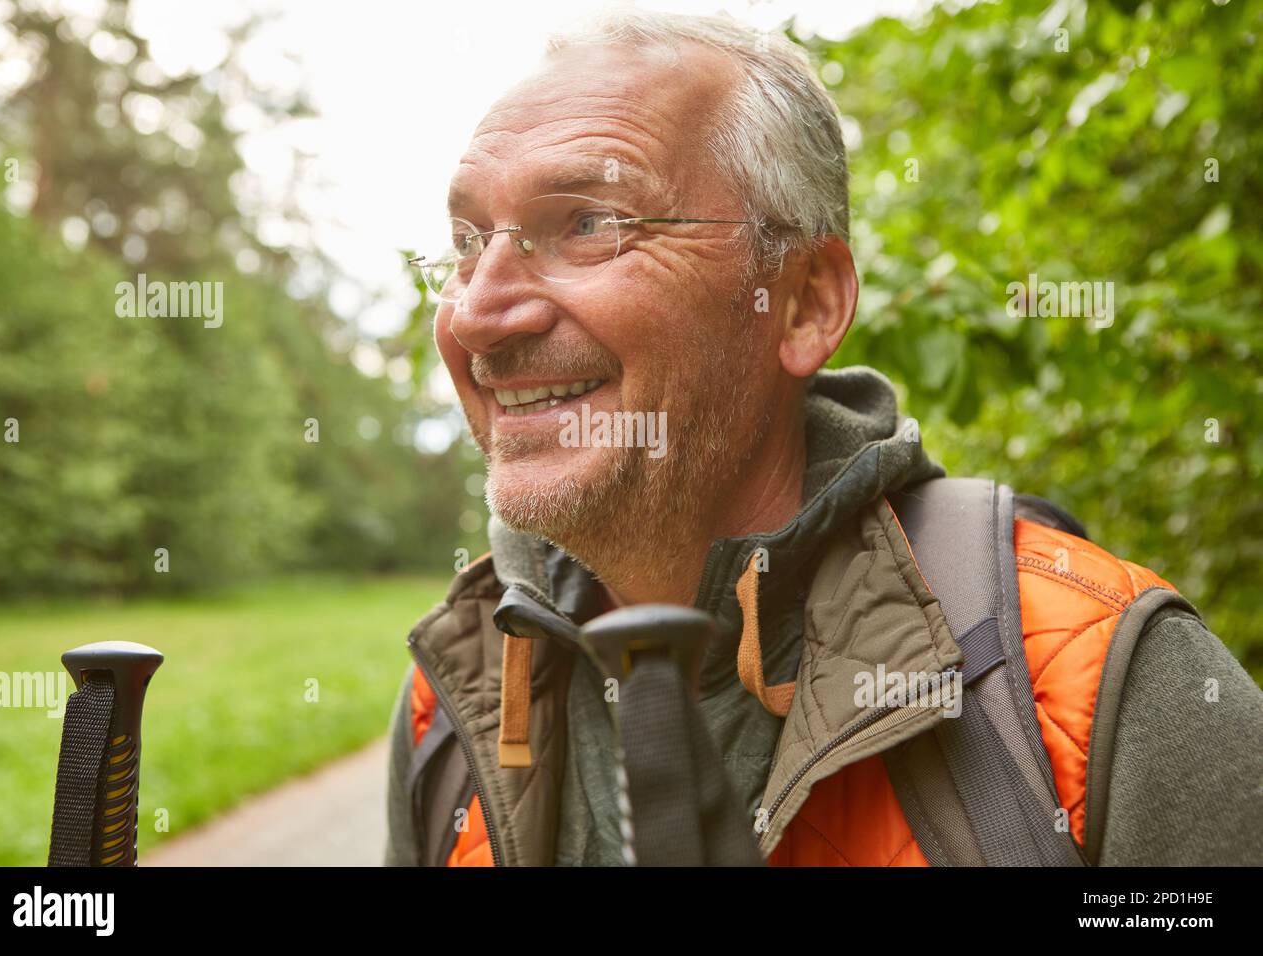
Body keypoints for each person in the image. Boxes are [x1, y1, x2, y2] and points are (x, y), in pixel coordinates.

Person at [384, 9, 1263, 867]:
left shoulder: (1098, 677)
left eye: (589, 225)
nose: (478, 314)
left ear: (803, 302)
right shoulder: (457, 694)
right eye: (466, 243)